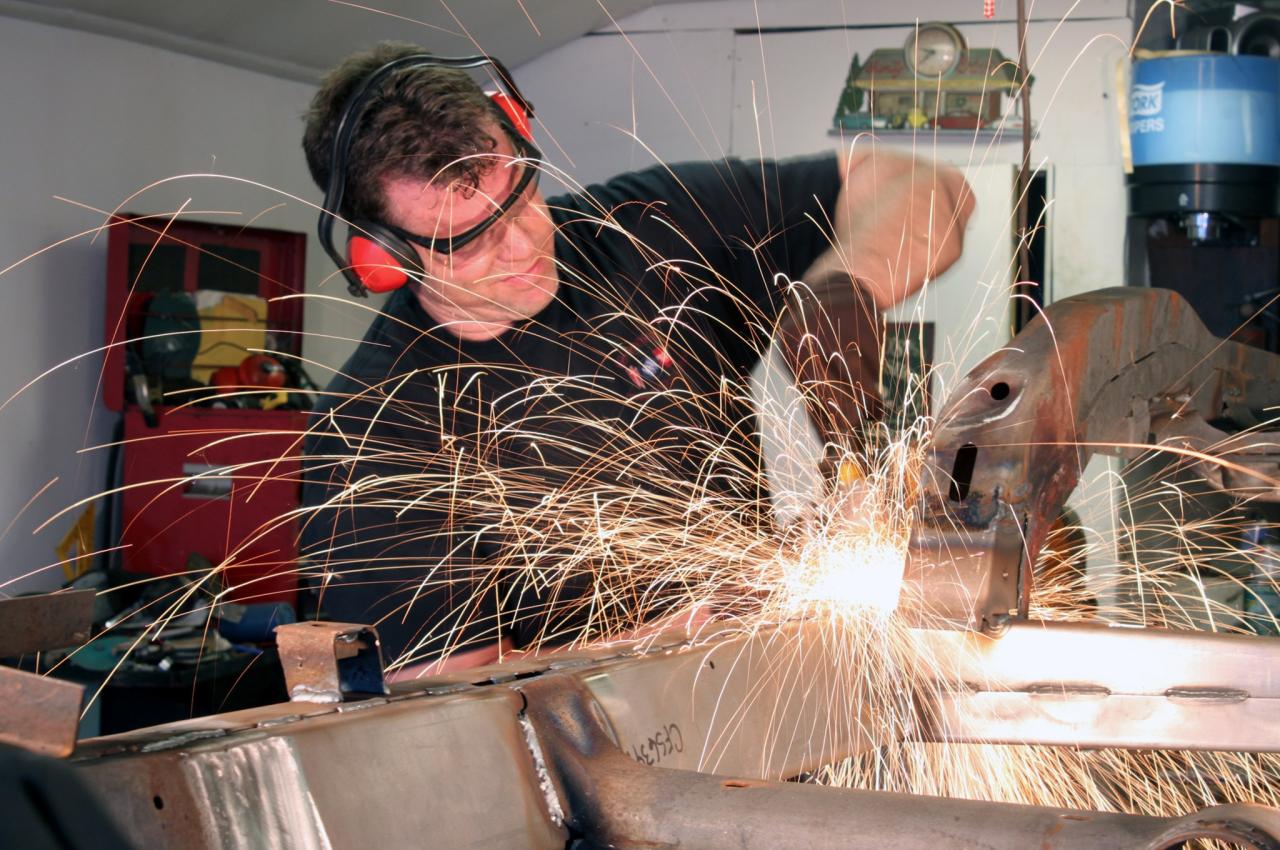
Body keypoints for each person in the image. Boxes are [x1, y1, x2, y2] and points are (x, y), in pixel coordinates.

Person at [299, 42, 974, 673]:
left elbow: (921, 185)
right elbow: (447, 701)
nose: (526, 245)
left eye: (523, 194)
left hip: (776, 701)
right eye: (469, 241)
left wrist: (842, 289)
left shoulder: (641, 228)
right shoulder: (374, 436)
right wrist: (667, 644)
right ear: (382, 259)